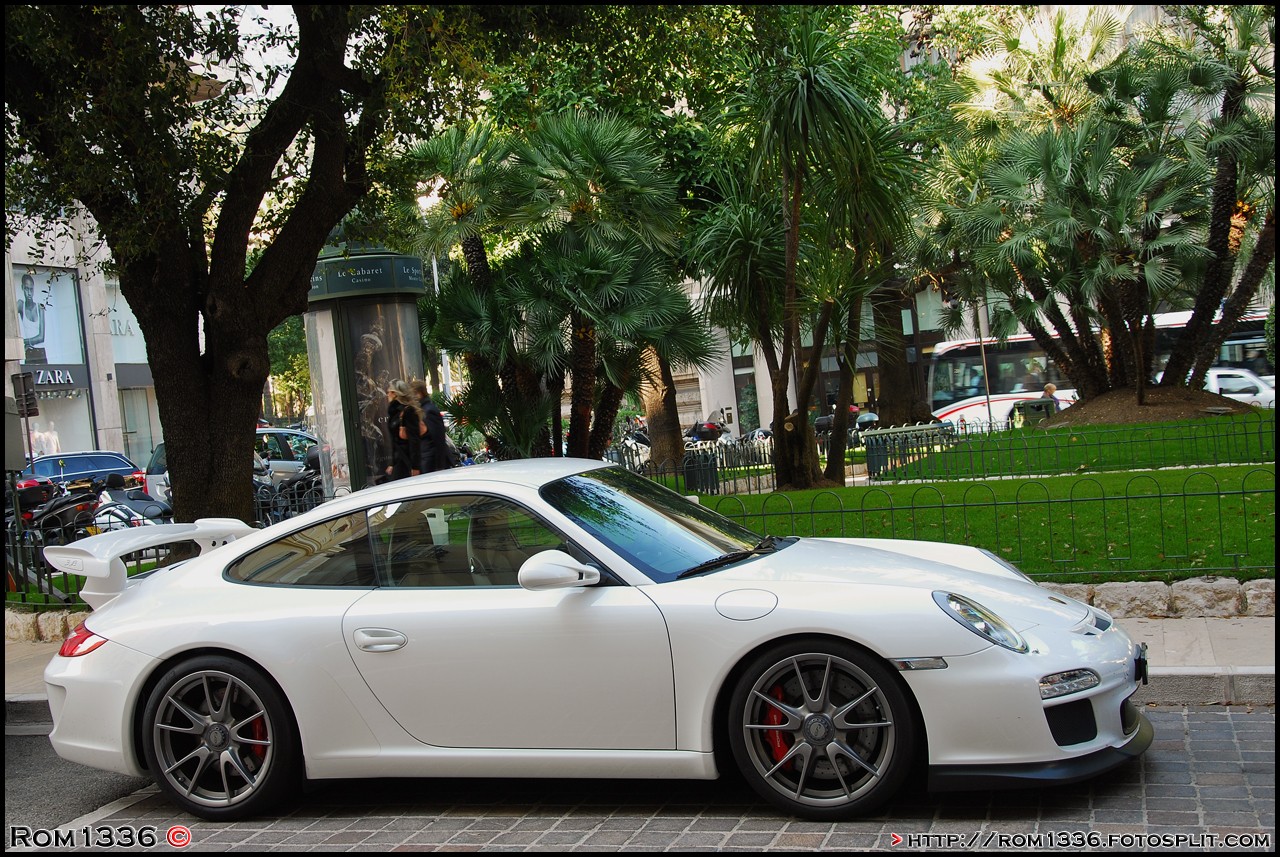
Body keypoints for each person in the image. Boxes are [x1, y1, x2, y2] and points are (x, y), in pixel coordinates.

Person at [410, 379, 456, 472]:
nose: (410, 398)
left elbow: (438, 438)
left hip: (432, 463)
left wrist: (440, 466)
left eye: (412, 394)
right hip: (428, 461)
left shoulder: (429, 410)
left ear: (419, 393)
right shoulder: (423, 409)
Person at [384, 380, 422, 481]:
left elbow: (415, 441)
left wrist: (415, 467)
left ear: (395, 393)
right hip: (398, 460)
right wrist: (392, 463)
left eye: (389, 392)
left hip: (407, 461)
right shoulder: (393, 413)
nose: (387, 394)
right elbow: (393, 441)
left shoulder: (408, 411)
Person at [17, 273, 46, 356]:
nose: (29, 293)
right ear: (22, 288)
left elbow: (41, 337)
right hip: (29, 352)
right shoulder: (21, 305)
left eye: (31, 289)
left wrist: (23, 342)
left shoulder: (40, 307)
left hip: (41, 352)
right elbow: (9, 316)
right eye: (26, 289)